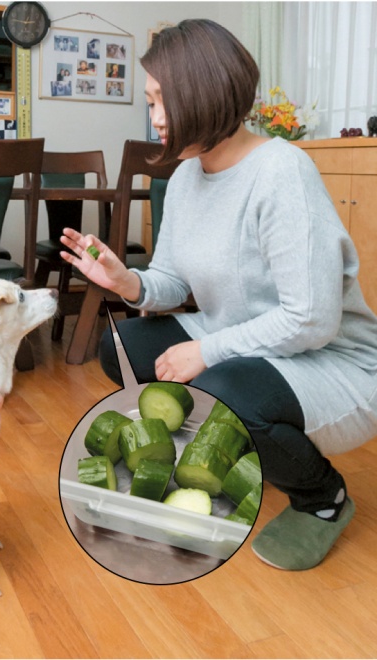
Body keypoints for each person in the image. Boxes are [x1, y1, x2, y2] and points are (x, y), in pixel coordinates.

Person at [61, 19, 377, 571]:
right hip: (243, 339)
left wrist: (207, 351)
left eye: (162, 100)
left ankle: (322, 498)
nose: (156, 118)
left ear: (204, 92)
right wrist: (127, 282)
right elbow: (173, 280)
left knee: (221, 391)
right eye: (150, 103)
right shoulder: (187, 176)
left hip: (333, 360)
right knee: (120, 348)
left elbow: (312, 319)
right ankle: (227, 443)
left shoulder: (281, 172)